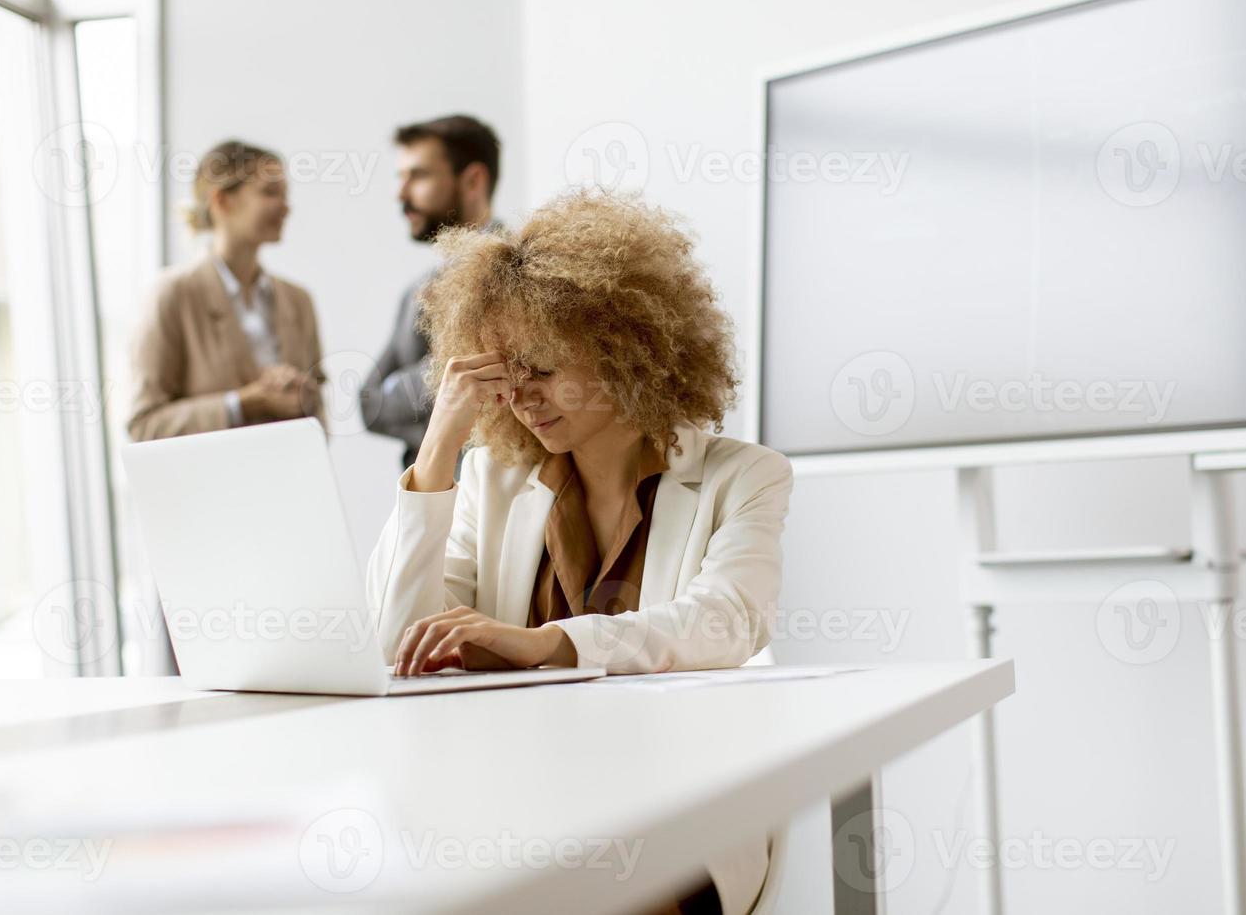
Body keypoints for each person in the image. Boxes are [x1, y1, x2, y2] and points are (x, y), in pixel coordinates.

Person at [364, 191, 793, 915]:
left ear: (623, 347)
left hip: (678, 796)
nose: (523, 397)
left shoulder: (743, 476)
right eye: (507, 374)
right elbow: (391, 643)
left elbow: (725, 622)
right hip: (516, 800)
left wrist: (542, 644)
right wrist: (438, 449)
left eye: (542, 366)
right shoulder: (494, 480)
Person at [127, 140, 326, 441]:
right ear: (222, 201)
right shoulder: (173, 295)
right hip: (207, 484)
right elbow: (144, 425)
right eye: (270, 193)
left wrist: (303, 397)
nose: (286, 207)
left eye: (286, 194)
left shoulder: (299, 301)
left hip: (286, 480)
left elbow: (320, 419)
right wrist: (243, 404)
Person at [360, 114, 505, 473]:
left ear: (473, 180)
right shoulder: (417, 291)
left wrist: (412, 384)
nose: (401, 193)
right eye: (401, 176)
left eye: (419, 175)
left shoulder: (518, 276)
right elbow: (369, 404)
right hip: (429, 505)